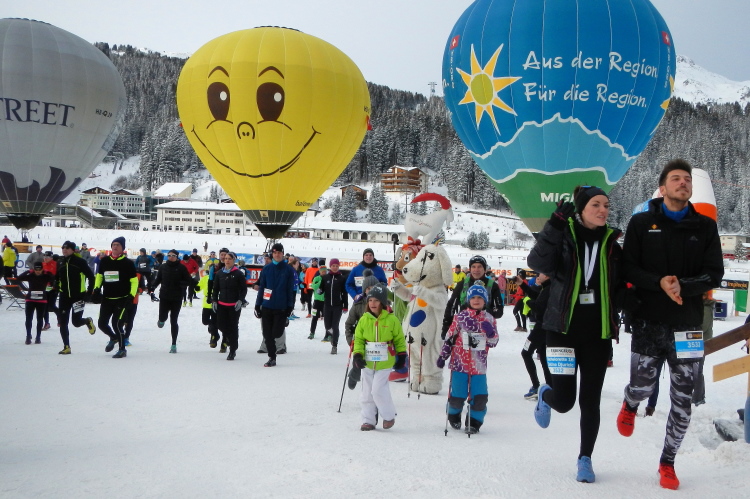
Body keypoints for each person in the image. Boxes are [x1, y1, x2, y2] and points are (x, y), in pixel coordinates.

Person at [616, 160, 723, 490]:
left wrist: (683, 286)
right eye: (676, 178)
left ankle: (668, 462)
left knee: (683, 400)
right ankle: (630, 402)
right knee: (643, 385)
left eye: (687, 179)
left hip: (688, 325)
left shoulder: (705, 227)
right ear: (662, 188)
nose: (683, 182)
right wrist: (659, 282)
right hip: (649, 320)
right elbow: (628, 268)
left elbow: (714, 274)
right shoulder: (641, 223)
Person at [527, 185, 624, 484]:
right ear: (581, 209)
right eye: (596, 204)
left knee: (590, 401)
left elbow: (622, 284)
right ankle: (546, 393)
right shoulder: (564, 238)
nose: (603, 210)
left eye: (606, 205)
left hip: (597, 335)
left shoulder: (612, 245)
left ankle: (585, 458)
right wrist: (553, 226)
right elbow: (537, 263)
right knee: (565, 401)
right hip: (562, 331)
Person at [437, 284, 499, 433]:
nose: (476, 300)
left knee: (480, 396)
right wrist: (443, 356)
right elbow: (450, 338)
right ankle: (453, 415)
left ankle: (474, 421)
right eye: (473, 297)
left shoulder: (489, 319)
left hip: (479, 366)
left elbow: (493, 342)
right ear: (468, 300)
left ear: (485, 300)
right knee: (458, 395)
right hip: (459, 364)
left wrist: (491, 333)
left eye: (480, 298)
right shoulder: (460, 317)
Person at [352, 283, 407, 431]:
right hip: (368, 362)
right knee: (366, 393)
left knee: (377, 390)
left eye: (376, 300)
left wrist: (402, 355)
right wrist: (357, 355)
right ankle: (368, 420)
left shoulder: (392, 320)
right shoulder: (364, 320)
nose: (373, 303)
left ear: (382, 302)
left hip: (384, 362)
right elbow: (359, 340)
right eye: (370, 300)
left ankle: (388, 416)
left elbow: (399, 340)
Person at [92, 236, 138, 359]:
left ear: (122, 248)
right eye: (113, 244)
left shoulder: (128, 263)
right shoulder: (105, 261)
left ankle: (122, 349)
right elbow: (100, 276)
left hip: (122, 299)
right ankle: (113, 337)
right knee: (102, 324)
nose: (115, 246)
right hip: (107, 298)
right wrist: (96, 289)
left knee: (117, 324)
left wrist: (131, 296)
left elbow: (134, 281)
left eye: (118, 245)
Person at [442, 255, 504, 340]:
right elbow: (451, 305)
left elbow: (499, 310)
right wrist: (446, 327)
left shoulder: (493, 286)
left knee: (480, 348)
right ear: (470, 269)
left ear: (484, 269)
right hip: (463, 327)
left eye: (479, 267)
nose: (476, 270)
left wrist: (485, 314)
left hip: (483, 329)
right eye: (473, 266)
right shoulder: (462, 284)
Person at [254, 243, 295, 367]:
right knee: (267, 335)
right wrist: (258, 304)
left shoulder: (288, 270)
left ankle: (282, 324)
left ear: (283, 254)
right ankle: (272, 357)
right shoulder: (267, 269)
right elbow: (262, 288)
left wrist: (290, 306)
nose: (277, 255)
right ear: (272, 254)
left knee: (276, 333)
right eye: (275, 252)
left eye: (279, 253)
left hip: (281, 307)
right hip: (267, 305)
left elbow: (291, 289)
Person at [150, 249, 194, 353]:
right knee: (162, 318)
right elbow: (158, 279)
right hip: (164, 296)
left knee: (173, 321)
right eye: (169, 255)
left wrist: (181, 284)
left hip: (176, 297)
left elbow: (188, 280)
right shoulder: (163, 267)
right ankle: (161, 320)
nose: (171, 257)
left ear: (177, 257)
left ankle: (174, 344)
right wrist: (152, 289)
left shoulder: (181, 268)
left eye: (173, 255)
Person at [56, 241, 96, 354]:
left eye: (67, 248)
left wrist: (89, 292)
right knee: (63, 322)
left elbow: (91, 277)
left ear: (73, 250)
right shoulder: (60, 261)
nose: (64, 250)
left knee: (76, 322)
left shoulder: (80, 262)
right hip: (64, 296)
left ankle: (87, 321)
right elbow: (57, 277)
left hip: (78, 296)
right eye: (63, 248)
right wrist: (56, 285)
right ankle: (66, 346)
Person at [343, 269, 381, 389]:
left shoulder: (383, 304)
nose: (371, 291)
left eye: (374, 288)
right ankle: (355, 373)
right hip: (362, 339)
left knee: (375, 369)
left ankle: (375, 390)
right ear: (364, 290)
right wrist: (351, 341)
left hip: (378, 340)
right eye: (368, 288)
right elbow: (349, 324)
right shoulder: (358, 304)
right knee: (360, 362)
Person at [518, 273, 553, 400]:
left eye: (541, 274)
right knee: (543, 356)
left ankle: (536, 386)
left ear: (547, 276)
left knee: (526, 353)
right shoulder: (547, 287)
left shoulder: (549, 288)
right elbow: (538, 297)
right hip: (545, 327)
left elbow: (539, 306)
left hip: (541, 327)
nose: (538, 276)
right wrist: (522, 285)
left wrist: (527, 301)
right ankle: (549, 386)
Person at [212, 252, 247, 360]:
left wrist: (240, 300)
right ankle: (228, 337)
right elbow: (215, 288)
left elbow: (243, 289)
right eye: (226, 258)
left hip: (234, 305)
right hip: (222, 304)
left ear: (234, 260)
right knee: (220, 325)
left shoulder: (238, 273)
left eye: (229, 259)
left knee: (233, 326)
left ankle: (233, 349)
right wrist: (214, 300)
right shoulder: (220, 273)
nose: (227, 260)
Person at [17, 262, 55, 345]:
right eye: (36, 269)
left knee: (40, 319)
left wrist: (47, 272)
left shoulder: (45, 276)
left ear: (42, 269)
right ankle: (28, 336)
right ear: (33, 269)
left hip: (41, 300)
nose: (38, 271)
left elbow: (54, 278)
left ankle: (38, 337)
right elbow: (19, 278)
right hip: (30, 300)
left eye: (39, 269)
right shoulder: (30, 275)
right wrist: (28, 271)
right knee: (28, 318)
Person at [319, 258, 348, 354]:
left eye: (336, 266)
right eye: (333, 266)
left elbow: (344, 293)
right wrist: (320, 290)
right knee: (327, 326)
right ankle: (333, 335)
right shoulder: (325, 277)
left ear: (338, 267)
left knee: (335, 325)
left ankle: (334, 345)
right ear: (330, 266)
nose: (335, 267)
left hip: (337, 306)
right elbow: (322, 288)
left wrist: (345, 306)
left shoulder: (342, 278)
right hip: (327, 305)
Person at [197, 267, 220, 349]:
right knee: (205, 321)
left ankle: (214, 337)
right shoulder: (205, 278)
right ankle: (215, 334)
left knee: (214, 321)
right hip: (207, 302)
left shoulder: (219, 278)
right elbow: (199, 287)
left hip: (216, 302)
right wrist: (196, 287)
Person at [308, 264, 328, 339]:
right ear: (320, 272)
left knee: (327, 319)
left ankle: (328, 334)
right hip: (317, 301)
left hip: (325, 301)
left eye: (325, 271)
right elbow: (314, 287)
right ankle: (312, 332)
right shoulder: (316, 278)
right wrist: (321, 282)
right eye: (322, 271)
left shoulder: (328, 278)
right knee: (314, 317)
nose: (324, 273)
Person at [41, 251, 59, 329]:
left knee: (52, 305)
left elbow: (59, 275)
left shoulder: (56, 264)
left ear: (51, 258)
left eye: (47, 257)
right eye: (44, 257)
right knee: (44, 306)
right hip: (44, 288)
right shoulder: (42, 264)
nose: (45, 258)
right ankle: (46, 323)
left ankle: (60, 317)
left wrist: (55, 283)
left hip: (53, 288)